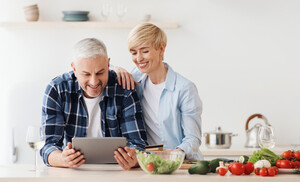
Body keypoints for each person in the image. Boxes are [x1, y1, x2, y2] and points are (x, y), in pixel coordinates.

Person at [40, 38, 147, 169]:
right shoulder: (57, 89)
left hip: (117, 172)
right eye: (86, 74)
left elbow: (138, 144)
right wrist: (62, 159)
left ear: (108, 64)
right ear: (74, 68)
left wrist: (134, 158)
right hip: (74, 172)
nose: (94, 81)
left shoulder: (124, 90)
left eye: (100, 73)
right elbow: (48, 146)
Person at [114, 23, 203, 160]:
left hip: (181, 165)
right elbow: (98, 69)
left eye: (145, 51)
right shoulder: (136, 78)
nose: (138, 58)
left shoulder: (184, 88)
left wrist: (172, 155)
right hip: (150, 164)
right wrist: (115, 69)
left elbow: (193, 139)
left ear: (161, 49)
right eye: (133, 52)